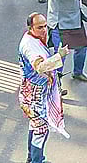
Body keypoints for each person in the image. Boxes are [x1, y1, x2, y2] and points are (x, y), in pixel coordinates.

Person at [18, 12, 69, 163]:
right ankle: (36, 160)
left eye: (45, 26)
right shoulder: (29, 46)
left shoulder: (33, 39)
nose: (44, 30)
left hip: (35, 92)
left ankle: (32, 158)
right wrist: (59, 56)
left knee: (35, 126)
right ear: (30, 28)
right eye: (40, 27)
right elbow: (40, 66)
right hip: (35, 95)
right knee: (41, 130)